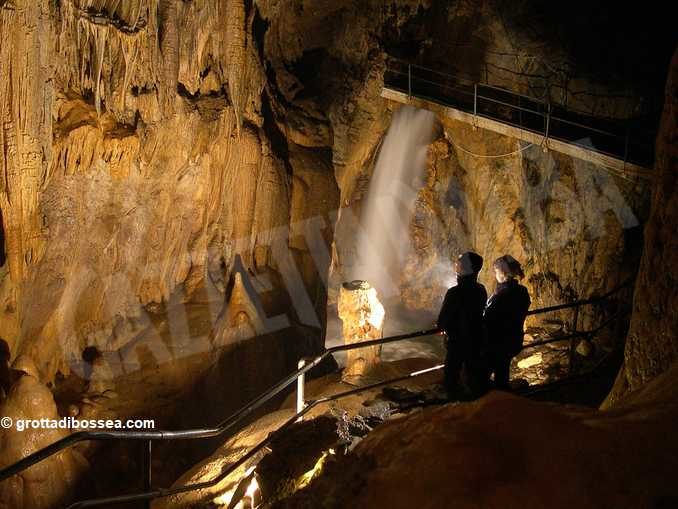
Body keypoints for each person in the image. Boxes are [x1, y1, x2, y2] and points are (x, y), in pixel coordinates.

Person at [437, 251, 488, 399]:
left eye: (458, 263)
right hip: (476, 338)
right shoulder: (481, 289)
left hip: (458, 340)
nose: (455, 265)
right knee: (473, 372)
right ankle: (475, 402)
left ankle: (455, 406)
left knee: (451, 373)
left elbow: (443, 320)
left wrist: (442, 327)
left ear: (464, 268)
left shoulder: (454, 292)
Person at [484, 255, 531, 390]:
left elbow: (490, 318)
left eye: (496, 271)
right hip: (514, 339)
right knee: (502, 371)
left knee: (486, 373)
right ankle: (503, 397)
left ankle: (497, 402)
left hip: (498, 342)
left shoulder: (503, 294)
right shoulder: (521, 291)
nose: (495, 274)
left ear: (504, 273)